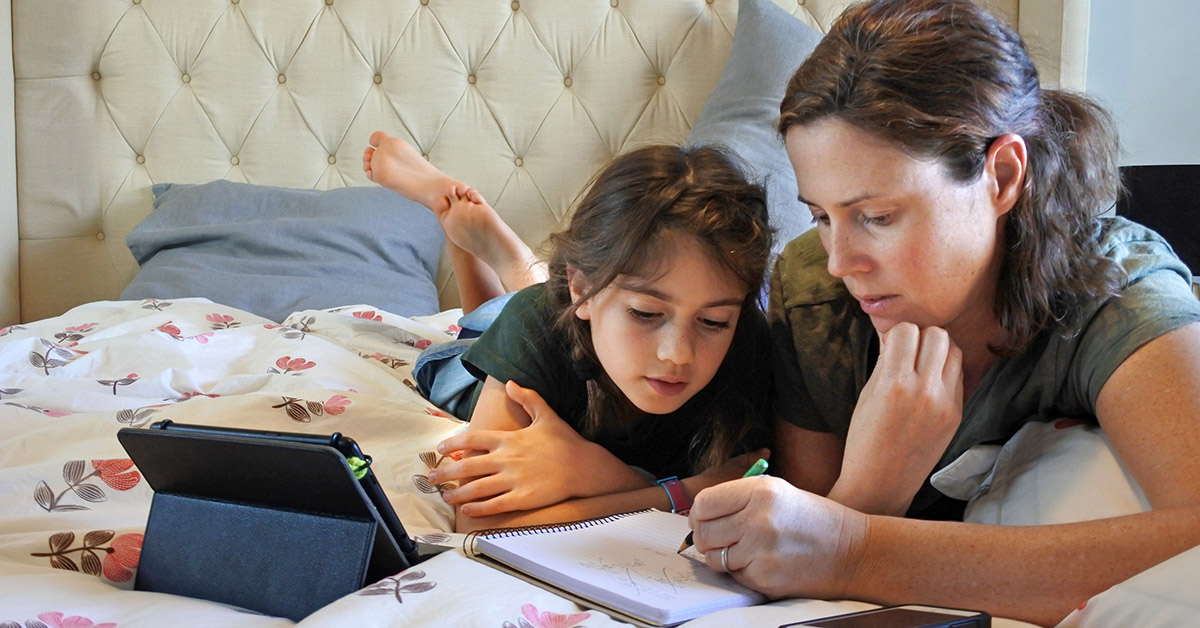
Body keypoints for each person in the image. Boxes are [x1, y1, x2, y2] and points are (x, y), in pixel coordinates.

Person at [684, 0, 1200, 624]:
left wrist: (858, 548)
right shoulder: (814, 292)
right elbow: (796, 547)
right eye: (821, 216)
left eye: (876, 217)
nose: (842, 261)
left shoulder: (1117, 294)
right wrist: (870, 491)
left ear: (1003, 175)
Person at [364, 133, 775, 533]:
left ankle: (504, 256)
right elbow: (477, 522)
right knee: (484, 332)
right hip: (535, 329)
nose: (678, 355)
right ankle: (466, 233)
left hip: (569, 313)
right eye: (646, 313)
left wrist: (600, 474)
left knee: (539, 307)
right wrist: (675, 494)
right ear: (581, 287)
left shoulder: (751, 345)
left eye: (713, 322)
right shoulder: (534, 325)